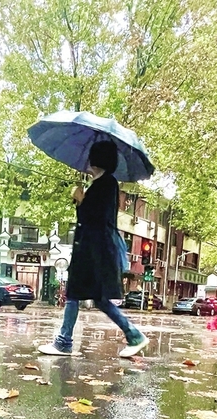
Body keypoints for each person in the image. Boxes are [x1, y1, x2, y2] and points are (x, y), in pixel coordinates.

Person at [38, 140, 149, 358]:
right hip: (92, 251)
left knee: (75, 294)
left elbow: (96, 219)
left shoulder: (106, 184)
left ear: (97, 160)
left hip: (94, 253)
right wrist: (82, 200)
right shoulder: (103, 184)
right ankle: (132, 335)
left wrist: (81, 201)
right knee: (92, 297)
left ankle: (64, 342)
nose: (88, 160)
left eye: (92, 156)